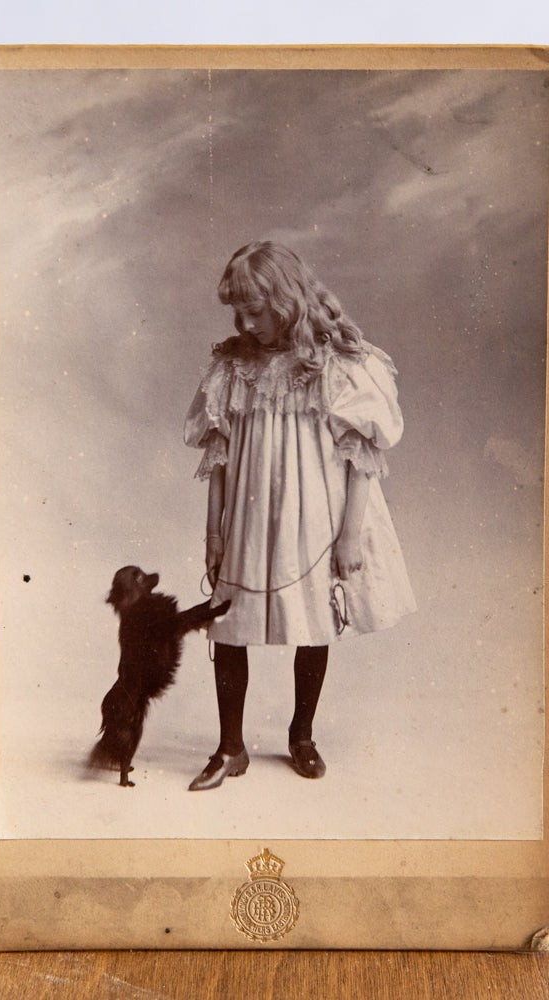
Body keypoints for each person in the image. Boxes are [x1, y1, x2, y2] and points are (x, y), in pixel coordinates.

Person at [183, 240, 416, 791]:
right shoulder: (233, 367)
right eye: (238, 312)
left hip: (314, 514)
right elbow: (218, 458)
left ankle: (301, 735)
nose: (245, 323)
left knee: (313, 619)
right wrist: (214, 533)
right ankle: (230, 747)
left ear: (286, 301)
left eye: (255, 311)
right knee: (228, 621)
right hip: (249, 514)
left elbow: (361, 457)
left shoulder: (338, 364)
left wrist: (350, 536)